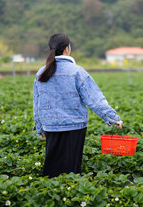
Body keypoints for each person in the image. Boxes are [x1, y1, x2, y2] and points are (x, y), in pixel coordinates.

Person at [33, 33, 123, 178]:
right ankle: (70, 195)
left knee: (52, 166)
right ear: (67, 49)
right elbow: (94, 99)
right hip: (74, 126)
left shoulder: (41, 72)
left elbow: (37, 103)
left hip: (50, 125)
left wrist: (39, 127)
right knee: (71, 168)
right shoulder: (77, 71)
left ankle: (50, 192)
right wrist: (113, 118)